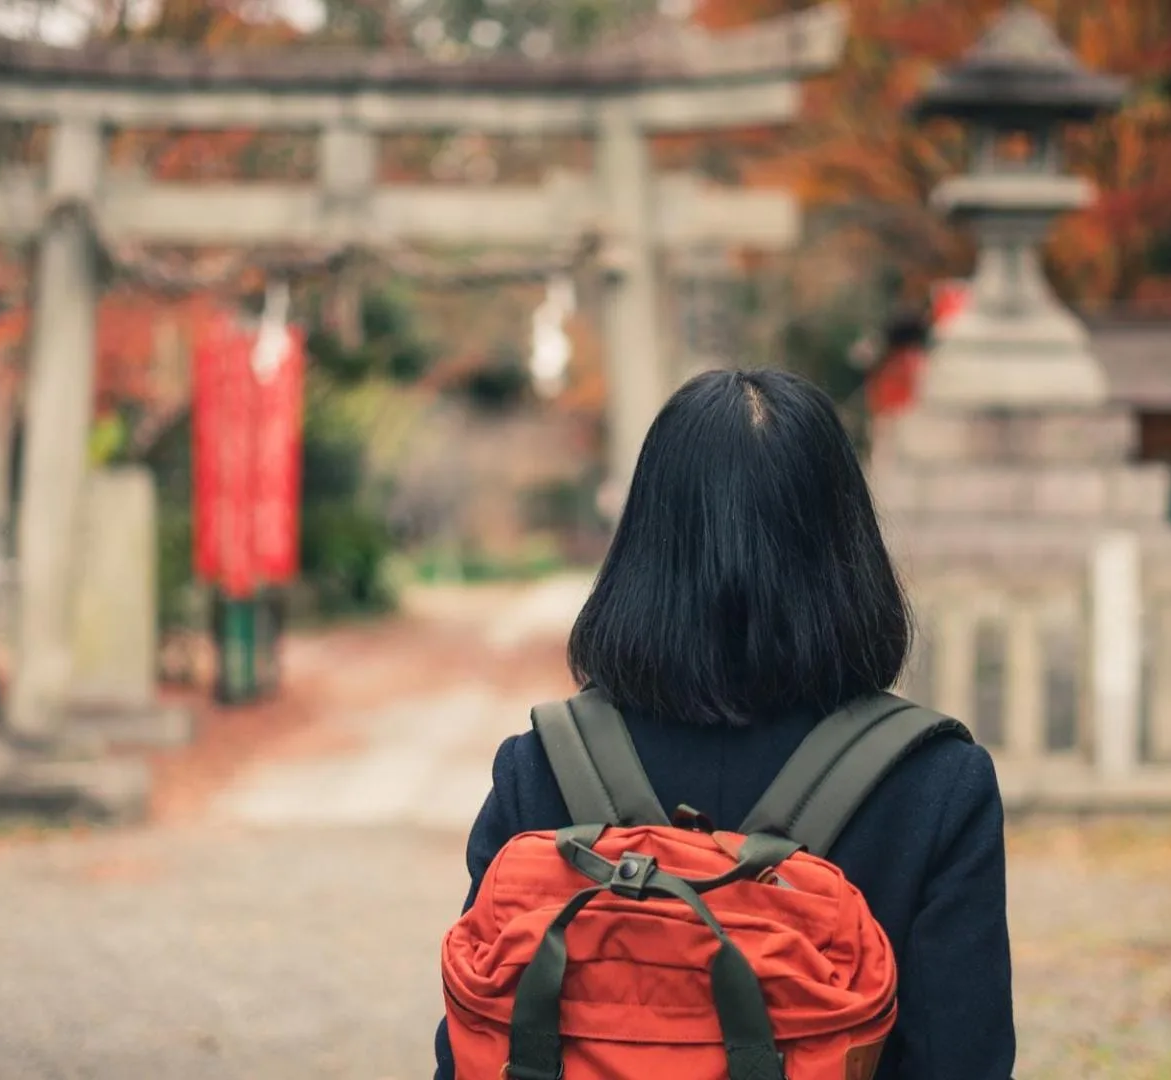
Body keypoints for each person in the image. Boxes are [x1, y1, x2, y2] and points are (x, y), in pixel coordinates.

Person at [434, 368, 1015, 1079]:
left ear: (643, 545)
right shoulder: (934, 784)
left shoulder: (545, 765)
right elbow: (964, 1058)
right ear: (847, 545)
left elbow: (471, 1042)